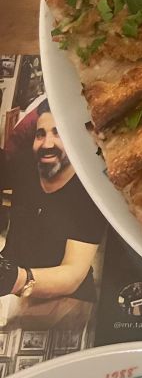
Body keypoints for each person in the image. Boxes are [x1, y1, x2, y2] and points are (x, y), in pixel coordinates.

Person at [0, 102, 103, 326]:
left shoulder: (90, 192)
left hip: (65, 306)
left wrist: (14, 279)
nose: (47, 144)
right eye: (40, 134)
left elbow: (72, 275)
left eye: (59, 134)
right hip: (10, 296)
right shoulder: (26, 166)